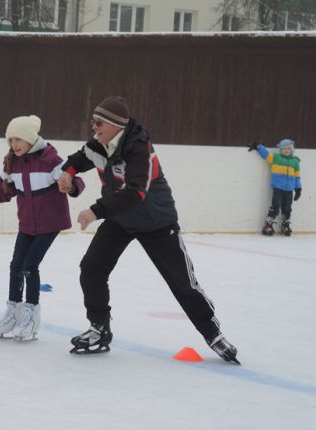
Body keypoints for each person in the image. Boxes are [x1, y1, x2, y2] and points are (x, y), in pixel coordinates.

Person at [57, 96, 239, 363]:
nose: (93, 127)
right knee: (92, 268)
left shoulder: (138, 148)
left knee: (182, 283)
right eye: (93, 121)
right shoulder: (99, 145)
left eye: (99, 122)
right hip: (120, 219)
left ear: (116, 126)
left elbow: (135, 193)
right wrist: (68, 173)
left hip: (156, 221)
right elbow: (79, 159)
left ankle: (213, 333)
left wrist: (95, 211)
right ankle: (99, 328)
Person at [0, 115, 84, 341]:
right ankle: (13, 311)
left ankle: (31, 313)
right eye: (11, 140)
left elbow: (75, 180)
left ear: (31, 139)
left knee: (30, 265)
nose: (14, 144)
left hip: (50, 223)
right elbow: (5, 191)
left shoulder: (50, 160)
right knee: (16, 265)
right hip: (27, 223)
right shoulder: (12, 162)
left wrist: (69, 185)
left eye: (19, 139)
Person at [248, 139, 302, 236]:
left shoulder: (295, 162)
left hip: (289, 190)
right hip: (278, 188)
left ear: (292, 150)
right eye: (284, 148)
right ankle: (268, 225)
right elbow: (266, 155)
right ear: (280, 150)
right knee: (275, 206)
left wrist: (298, 189)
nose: (286, 150)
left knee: (287, 208)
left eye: (288, 148)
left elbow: (297, 177)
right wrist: (257, 146)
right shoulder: (276, 158)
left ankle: (285, 225)